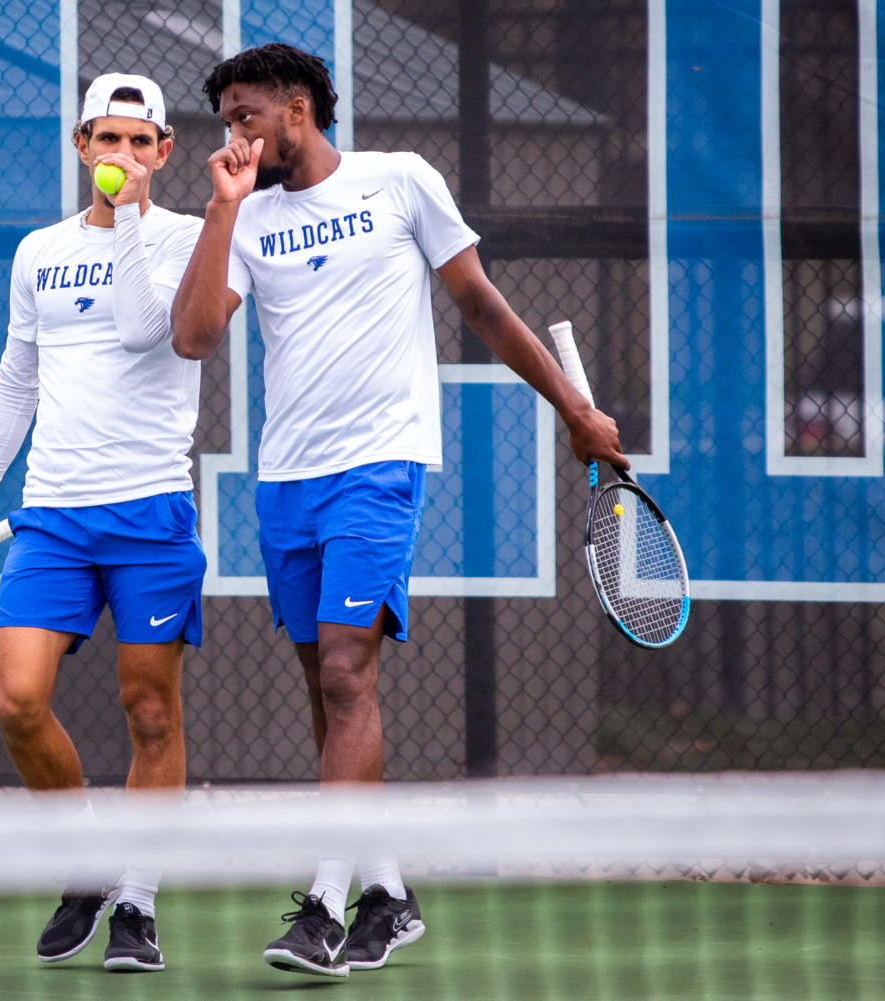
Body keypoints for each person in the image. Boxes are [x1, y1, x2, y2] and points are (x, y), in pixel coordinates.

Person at [170, 43, 628, 977]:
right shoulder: (244, 216)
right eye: (224, 120)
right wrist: (221, 207)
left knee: (346, 670)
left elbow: (483, 306)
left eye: (246, 113)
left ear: (298, 107)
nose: (234, 133)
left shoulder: (399, 182)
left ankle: (323, 906)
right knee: (323, 684)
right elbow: (193, 335)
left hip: (377, 465)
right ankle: (386, 890)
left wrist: (573, 413)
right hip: (285, 479)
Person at [0, 71, 205, 973]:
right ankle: (86, 858)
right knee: (16, 699)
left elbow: (141, 330)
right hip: (51, 515)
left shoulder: (187, 239)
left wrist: (128, 217)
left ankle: (136, 898)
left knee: (149, 711)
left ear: (163, 152)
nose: (122, 156)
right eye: (107, 138)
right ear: (80, 146)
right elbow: (16, 380)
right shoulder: (37, 253)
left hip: (150, 514)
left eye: (141, 141)